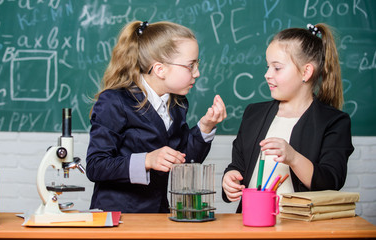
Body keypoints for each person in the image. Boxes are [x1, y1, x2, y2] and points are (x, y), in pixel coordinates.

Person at [86, 21, 227, 213]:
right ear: (160, 69)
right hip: (119, 217)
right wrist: (146, 160)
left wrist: (205, 127)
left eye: (197, 64)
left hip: (158, 215)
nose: (197, 73)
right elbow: (96, 166)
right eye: (190, 66)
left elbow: (185, 161)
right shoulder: (115, 101)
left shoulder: (177, 104)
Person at [222, 23, 354, 212]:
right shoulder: (253, 114)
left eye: (277, 68)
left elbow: (331, 181)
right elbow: (238, 166)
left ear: (306, 72)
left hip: (301, 226)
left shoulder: (334, 122)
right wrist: (230, 178)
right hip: (251, 221)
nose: (267, 74)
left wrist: (293, 157)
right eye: (268, 67)